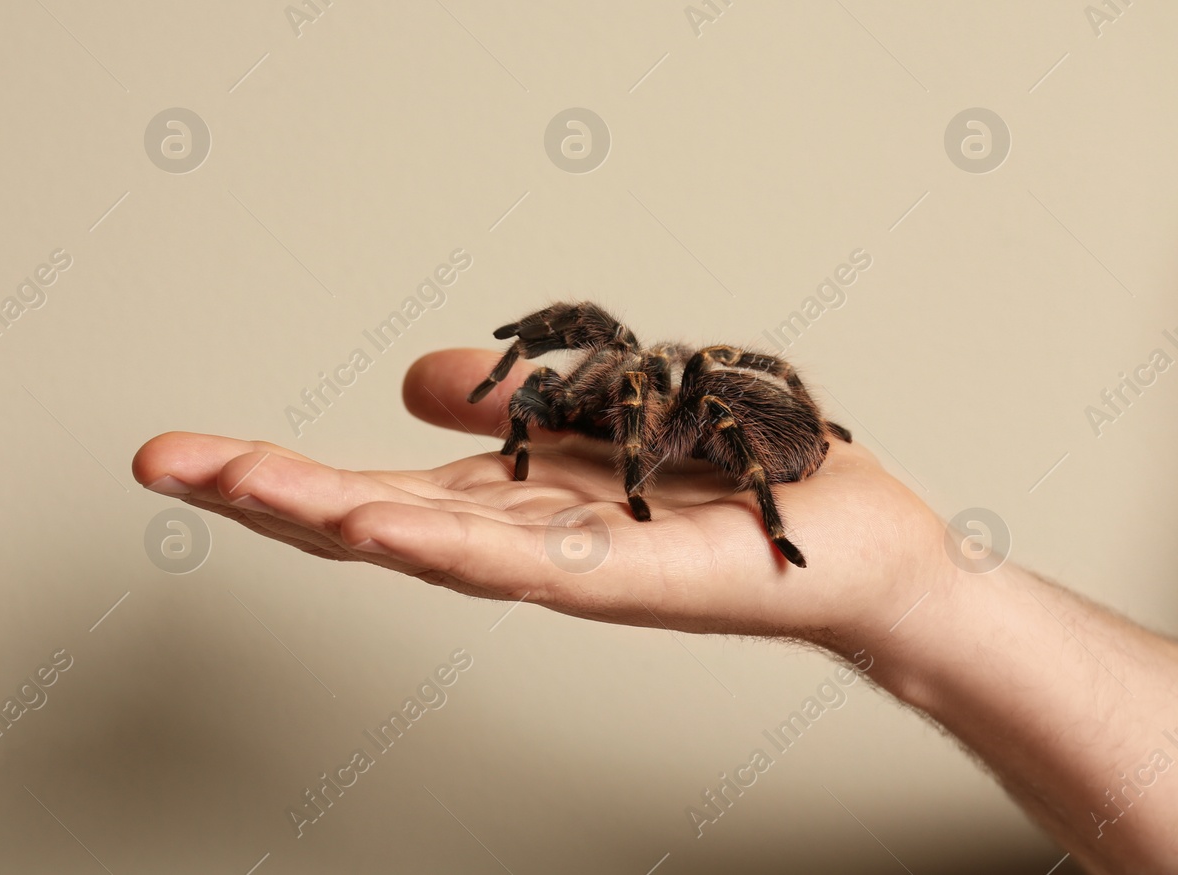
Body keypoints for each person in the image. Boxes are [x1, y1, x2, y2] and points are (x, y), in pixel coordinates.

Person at [132, 347, 1178, 873]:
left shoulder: (698, 403)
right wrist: (920, 592)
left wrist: (646, 483)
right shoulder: (639, 380)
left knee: (711, 384)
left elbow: (733, 387)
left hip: (762, 449)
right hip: (757, 432)